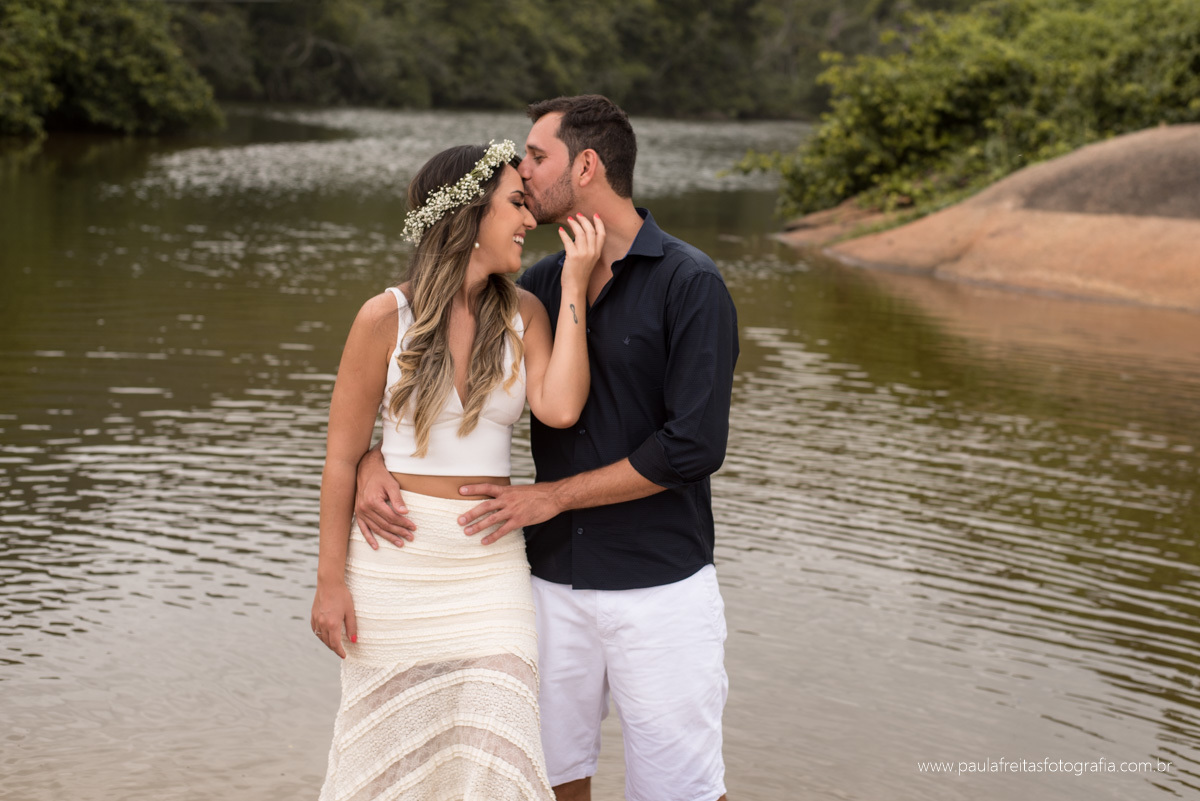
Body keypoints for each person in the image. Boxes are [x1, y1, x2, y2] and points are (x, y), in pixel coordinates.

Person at [356, 96, 739, 801]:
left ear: (586, 165)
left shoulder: (690, 283)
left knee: (682, 786)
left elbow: (693, 445)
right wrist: (373, 459)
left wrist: (551, 495)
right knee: (547, 776)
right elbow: (435, 381)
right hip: (548, 581)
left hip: (659, 586)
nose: (523, 173)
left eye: (536, 157)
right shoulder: (531, 288)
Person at [311, 139, 606, 801]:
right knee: (387, 762)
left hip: (488, 565)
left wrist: (575, 287)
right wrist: (330, 581)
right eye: (516, 204)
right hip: (396, 557)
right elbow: (339, 455)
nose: (529, 219)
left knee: (500, 738)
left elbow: (559, 408)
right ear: (468, 215)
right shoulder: (383, 317)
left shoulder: (525, 313)